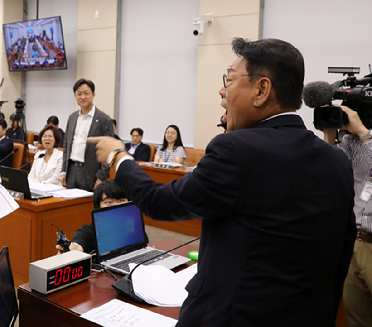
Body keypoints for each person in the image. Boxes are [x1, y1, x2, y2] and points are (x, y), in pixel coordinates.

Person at [88, 37, 356, 326]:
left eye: (229, 79)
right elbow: (343, 248)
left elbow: (160, 203)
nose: (222, 90)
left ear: (261, 90)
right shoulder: (336, 159)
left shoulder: (237, 149)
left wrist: (119, 158)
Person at [323, 108, 372, 327]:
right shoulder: (352, 142)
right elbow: (329, 175)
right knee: (356, 320)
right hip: (354, 242)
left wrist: (363, 132)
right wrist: (329, 136)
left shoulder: (363, 138)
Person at [60, 78, 114, 191]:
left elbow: (109, 152)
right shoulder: (72, 118)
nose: (82, 97)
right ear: (75, 96)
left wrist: (101, 177)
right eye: (79, 94)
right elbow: (67, 145)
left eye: (86, 93)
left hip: (91, 173)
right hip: (71, 171)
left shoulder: (104, 119)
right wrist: (64, 171)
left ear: (93, 95)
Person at [55, 180, 135, 254]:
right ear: (98, 206)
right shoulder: (89, 232)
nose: (116, 206)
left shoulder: (133, 225)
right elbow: (78, 243)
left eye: (121, 201)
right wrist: (71, 249)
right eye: (109, 202)